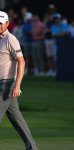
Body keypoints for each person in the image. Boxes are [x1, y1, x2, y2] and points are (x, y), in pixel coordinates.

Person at [0, 11, 38, 150]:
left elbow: (21, 62)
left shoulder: (11, 39)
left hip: (7, 85)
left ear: (7, 23)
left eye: (1, 23)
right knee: (18, 121)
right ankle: (32, 148)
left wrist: (17, 86)